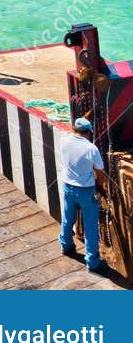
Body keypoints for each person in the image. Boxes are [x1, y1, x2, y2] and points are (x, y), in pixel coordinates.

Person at [59, 116, 107, 273]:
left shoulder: (64, 140)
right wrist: (103, 189)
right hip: (86, 192)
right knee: (90, 226)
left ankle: (66, 246)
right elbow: (100, 171)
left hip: (68, 188)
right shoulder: (91, 148)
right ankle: (92, 262)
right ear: (88, 132)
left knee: (67, 220)